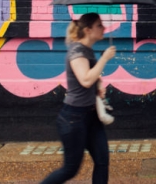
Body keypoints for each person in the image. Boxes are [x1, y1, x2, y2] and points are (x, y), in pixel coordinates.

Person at [41, 13, 116, 184]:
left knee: (102, 161)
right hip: (74, 118)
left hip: (91, 116)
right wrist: (104, 58)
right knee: (70, 169)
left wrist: (98, 86)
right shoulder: (77, 51)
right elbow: (85, 79)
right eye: (99, 25)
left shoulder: (87, 50)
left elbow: (89, 79)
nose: (103, 28)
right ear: (88, 30)